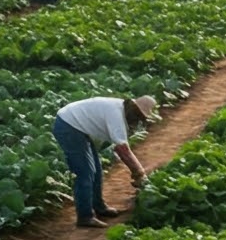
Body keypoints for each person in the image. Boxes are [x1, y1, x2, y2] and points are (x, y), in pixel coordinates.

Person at [52, 93, 157, 228]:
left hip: (78, 125)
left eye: (141, 117)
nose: (138, 118)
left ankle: (99, 206)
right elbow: (122, 150)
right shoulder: (116, 114)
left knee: (96, 170)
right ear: (131, 106)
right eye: (138, 114)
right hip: (69, 125)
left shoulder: (122, 111)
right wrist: (139, 173)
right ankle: (85, 216)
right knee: (85, 173)